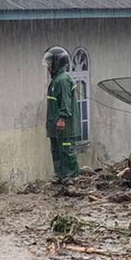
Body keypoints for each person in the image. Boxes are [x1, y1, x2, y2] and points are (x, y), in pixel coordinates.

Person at [44, 46, 80, 181]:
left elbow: (65, 102)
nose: (48, 66)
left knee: (66, 151)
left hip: (64, 126)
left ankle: (71, 177)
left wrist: (62, 119)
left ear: (57, 62)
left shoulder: (63, 79)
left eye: (50, 63)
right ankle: (60, 175)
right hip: (55, 126)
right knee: (57, 151)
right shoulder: (55, 81)